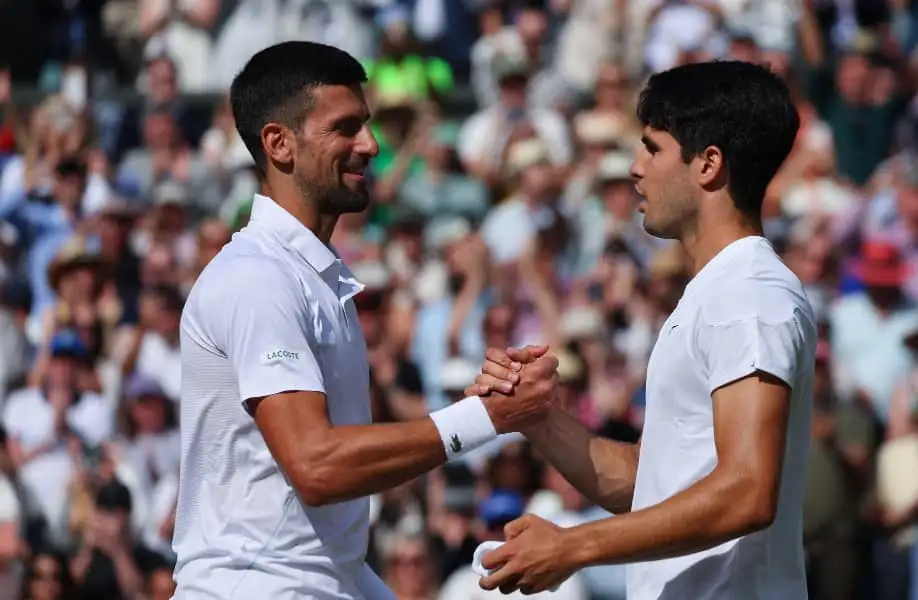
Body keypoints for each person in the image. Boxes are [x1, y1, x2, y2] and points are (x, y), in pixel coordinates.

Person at [171, 41, 559, 600]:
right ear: (278, 143)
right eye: (345, 128)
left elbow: (327, 543)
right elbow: (317, 465)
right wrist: (484, 418)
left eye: (366, 125)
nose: (371, 145)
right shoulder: (257, 279)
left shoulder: (313, 279)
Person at [467, 61, 817, 599]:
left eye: (651, 148)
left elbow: (748, 490)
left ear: (708, 165)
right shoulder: (717, 293)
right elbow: (646, 482)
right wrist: (533, 416)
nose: (634, 168)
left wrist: (573, 546)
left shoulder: (748, 295)